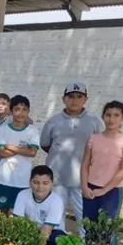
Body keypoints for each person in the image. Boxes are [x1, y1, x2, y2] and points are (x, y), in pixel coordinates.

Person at [40, 82, 103, 236]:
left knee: (82, 216)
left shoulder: (95, 121)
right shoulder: (54, 120)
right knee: (56, 214)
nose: (74, 100)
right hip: (57, 177)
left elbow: (101, 148)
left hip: (82, 179)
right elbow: (45, 145)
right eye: (71, 97)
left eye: (79, 97)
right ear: (63, 99)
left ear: (85, 99)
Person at [81, 101, 123, 224]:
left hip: (112, 191)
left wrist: (104, 190)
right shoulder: (93, 138)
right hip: (90, 189)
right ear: (103, 116)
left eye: (116, 115)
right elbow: (85, 164)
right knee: (89, 227)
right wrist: (85, 187)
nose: (111, 119)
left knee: (107, 230)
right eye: (108, 114)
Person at [0, 95, 40, 212]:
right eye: (17, 109)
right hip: (3, 178)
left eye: (24, 109)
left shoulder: (32, 131)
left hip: (23, 180)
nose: (21, 113)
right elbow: (2, 153)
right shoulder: (3, 129)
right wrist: (23, 149)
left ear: (28, 111)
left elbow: (32, 152)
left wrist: (10, 147)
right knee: (1, 211)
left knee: (17, 212)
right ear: (11, 111)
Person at [13, 165, 67, 245]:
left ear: (51, 184)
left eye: (45, 183)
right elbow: (17, 221)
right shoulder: (22, 195)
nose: (40, 187)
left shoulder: (56, 201)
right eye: (36, 182)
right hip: (29, 230)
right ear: (30, 182)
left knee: (55, 239)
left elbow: (47, 229)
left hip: (51, 232)